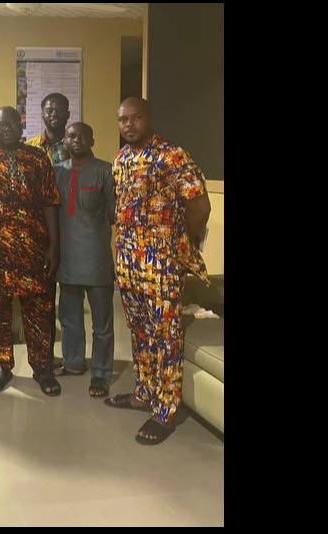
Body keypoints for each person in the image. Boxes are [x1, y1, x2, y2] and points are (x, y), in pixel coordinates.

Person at [105, 97, 211, 445]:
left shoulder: (172, 155)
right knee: (139, 331)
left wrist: (180, 241)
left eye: (136, 118)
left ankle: (166, 410)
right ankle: (144, 393)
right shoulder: (121, 159)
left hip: (162, 263)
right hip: (128, 262)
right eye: (123, 119)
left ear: (149, 119)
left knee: (165, 336)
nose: (129, 124)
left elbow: (199, 204)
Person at [0, 106, 62, 396]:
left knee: (39, 311)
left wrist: (54, 246)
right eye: (0, 125)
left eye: (11, 124)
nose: (6, 129)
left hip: (35, 252)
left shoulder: (38, 159)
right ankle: (2, 365)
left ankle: (42, 367)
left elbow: (50, 203)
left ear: (21, 127)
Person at [52, 122, 117, 398]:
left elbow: (115, 215)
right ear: (64, 142)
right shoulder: (57, 172)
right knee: (70, 319)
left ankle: (101, 373)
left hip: (96, 261)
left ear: (91, 140)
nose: (75, 140)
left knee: (102, 324)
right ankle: (74, 362)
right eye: (70, 136)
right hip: (66, 261)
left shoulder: (106, 171)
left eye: (81, 136)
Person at [25, 92, 71, 166]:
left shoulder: (76, 146)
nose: (54, 114)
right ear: (42, 114)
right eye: (49, 111)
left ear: (68, 114)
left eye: (60, 110)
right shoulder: (29, 148)